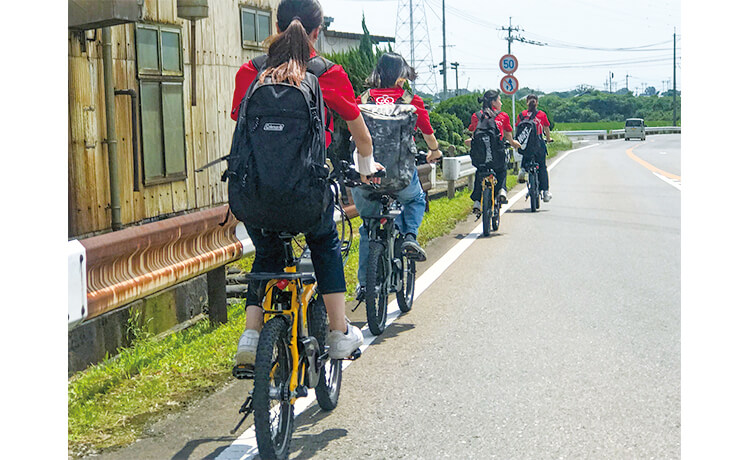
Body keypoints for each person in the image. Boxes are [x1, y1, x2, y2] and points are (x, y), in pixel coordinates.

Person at [229, 0, 382, 365]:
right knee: (325, 243)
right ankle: (339, 332)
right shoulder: (327, 73)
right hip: (306, 197)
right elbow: (362, 138)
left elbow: (241, 127)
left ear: (276, 25)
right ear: (317, 31)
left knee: (266, 254)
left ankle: (250, 338)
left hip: (254, 195)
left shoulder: (250, 71)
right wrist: (365, 169)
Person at [351, 52, 442, 299]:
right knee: (415, 200)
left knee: (368, 227)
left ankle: (364, 285)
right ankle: (409, 236)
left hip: (367, 175)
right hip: (400, 175)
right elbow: (427, 132)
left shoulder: (363, 99)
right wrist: (434, 151)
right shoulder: (410, 99)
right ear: (401, 76)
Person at [465, 90, 521, 213]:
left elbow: (474, 134)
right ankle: (501, 190)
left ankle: (477, 202)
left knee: (480, 172)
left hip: (481, 157)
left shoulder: (476, 116)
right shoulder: (502, 116)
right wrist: (513, 143)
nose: (500, 103)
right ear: (493, 102)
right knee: (502, 170)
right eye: (499, 100)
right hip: (497, 155)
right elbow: (507, 135)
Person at [516, 94, 553, 202]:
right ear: (537, 102)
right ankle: (545, 192)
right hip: (539, 143)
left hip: (526, 144)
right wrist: (549, 138)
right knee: (542, 167)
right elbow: (546, 128)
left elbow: (518, 129)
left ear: (526, 102)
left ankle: (522, 170)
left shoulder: (522, 115)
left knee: (526, 153)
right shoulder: (541, 114)